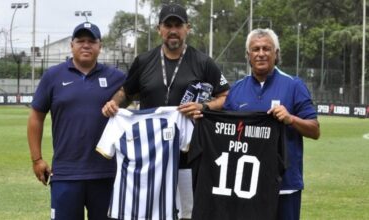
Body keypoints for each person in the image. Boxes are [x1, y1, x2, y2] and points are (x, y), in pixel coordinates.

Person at [102, 3, 230, 219]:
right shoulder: (143, 61)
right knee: (150, 213)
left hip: (188, 158)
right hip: (148, 159)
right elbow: (126, 92)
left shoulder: (203, 62)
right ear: (159, 29)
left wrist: (204, 106)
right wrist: (113, 104)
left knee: (188, 214)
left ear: (187, 28)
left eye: (178, 25)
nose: (173, 30)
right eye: (167, 25)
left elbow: (226, 97)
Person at [27, 22, 126, 220]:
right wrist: (37, 159)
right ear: (72, 45)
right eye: (80, 41)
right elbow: (36, 117)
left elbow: (139, 94)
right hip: (65, 174)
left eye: (92, 41)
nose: (86, 45)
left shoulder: (117, 77)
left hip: (106, 175)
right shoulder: (53, 76)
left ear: (100, 46)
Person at [223, 28, 320, 220]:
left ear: (276, 54)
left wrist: (290, 119)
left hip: (285, 185)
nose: (261, 54)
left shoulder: (294, 85)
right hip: (246, 186)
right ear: (248, 55)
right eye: (255, 49)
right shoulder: (236, 90)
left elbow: (315, 130)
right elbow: (225, 133)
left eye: (266, 48)